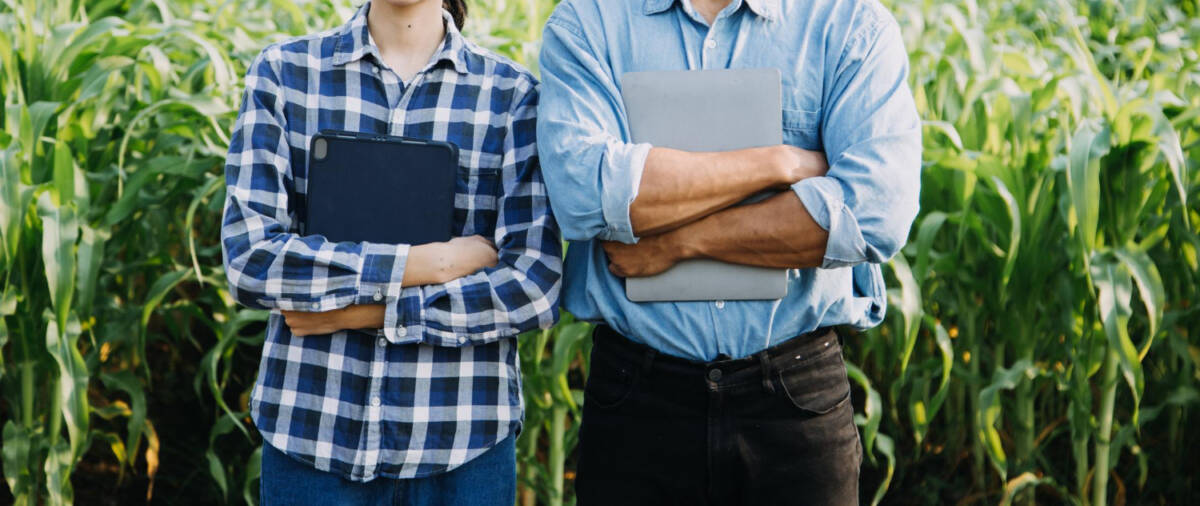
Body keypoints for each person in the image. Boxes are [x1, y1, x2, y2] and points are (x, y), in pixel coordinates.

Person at [536, 0, 920, 503]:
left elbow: (873, 214)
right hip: (637, 400)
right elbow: (583, 189)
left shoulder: (850, 23)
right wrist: (780, 162)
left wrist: (680, 242)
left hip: (796, 399)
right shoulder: (589, 20)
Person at [220, 0, 561, 504]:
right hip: (312, 436)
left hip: (462, 444)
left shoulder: (510, 95)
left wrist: (365, 312)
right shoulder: (286, 74)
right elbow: (251, 260)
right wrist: (431, 262)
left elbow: (533, 286)